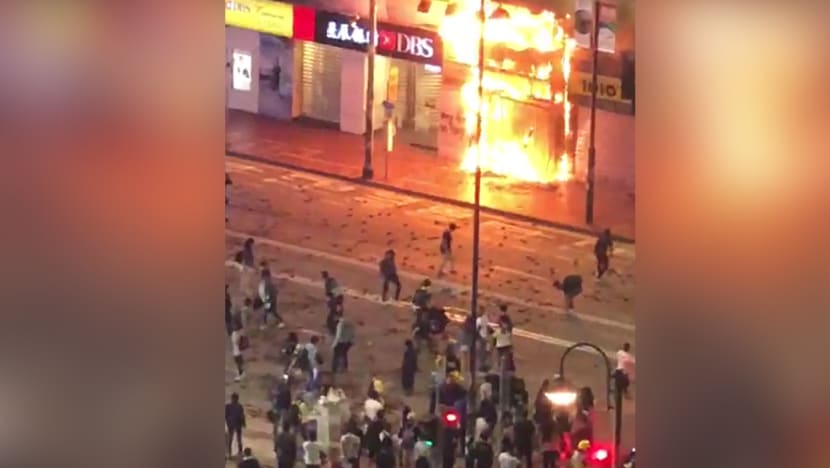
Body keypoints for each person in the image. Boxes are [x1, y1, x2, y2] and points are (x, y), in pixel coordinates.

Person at [225, 393, 246, 458]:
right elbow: (242, 416)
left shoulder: (228, 406)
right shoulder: (239, 406)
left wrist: (227, 422)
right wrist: (244, 423)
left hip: (231, 424)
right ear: (237, 398)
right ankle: (239, 452)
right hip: (237, 424)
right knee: (238, 439)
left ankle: (230, 453)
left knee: (230, 439)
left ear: (232, 398)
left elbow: (225, 415)